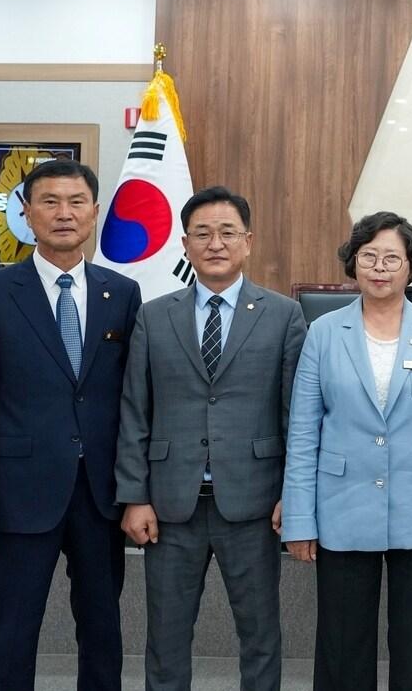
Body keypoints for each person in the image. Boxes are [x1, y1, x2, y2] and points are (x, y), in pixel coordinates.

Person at [0, 159, 141, 690]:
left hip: (100, 493)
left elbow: (131, 398)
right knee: (10, 631)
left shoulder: (121, 294)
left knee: (103, 631)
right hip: (17, 494)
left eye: (76, 202)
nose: (64, 213)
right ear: (27, 214)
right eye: (50, 202)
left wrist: (136, 488)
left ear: (95, 213)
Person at [114, 186, 306, 691]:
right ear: (184, 243)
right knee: (166, 637)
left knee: (261, 635)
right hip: (171, 505)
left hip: (255, 503)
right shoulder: (154, 315)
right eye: (202, 233)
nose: (214, 243)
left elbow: (296, 416)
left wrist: (294, 493)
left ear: (247, 241)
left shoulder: (283, 315)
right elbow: (135, 409)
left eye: (226, 233)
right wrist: (134, 496)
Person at [281, 211, 412, 690]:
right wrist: (299, 520)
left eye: (393, 257)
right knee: (343, 643)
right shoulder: (324, 332)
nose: (380, 267)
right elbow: (304, 432)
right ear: (353, 263)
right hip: (341, 508)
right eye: (369, 256)